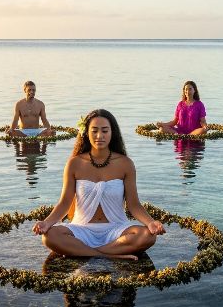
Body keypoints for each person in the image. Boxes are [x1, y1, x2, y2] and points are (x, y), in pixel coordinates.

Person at [33, 109, 165, 260]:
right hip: (81, 230)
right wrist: (46, 223)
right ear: (86, 133)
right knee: (49, 236)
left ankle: (84, 251)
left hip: (117, 230)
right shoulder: (74, 163)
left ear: (112, 133)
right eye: (94, 131)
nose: (99, 136)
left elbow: (134, 205)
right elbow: (64, 203)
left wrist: (151, 222)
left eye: (105, 131)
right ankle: (108, 254)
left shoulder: (125, 164)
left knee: (148, 236)